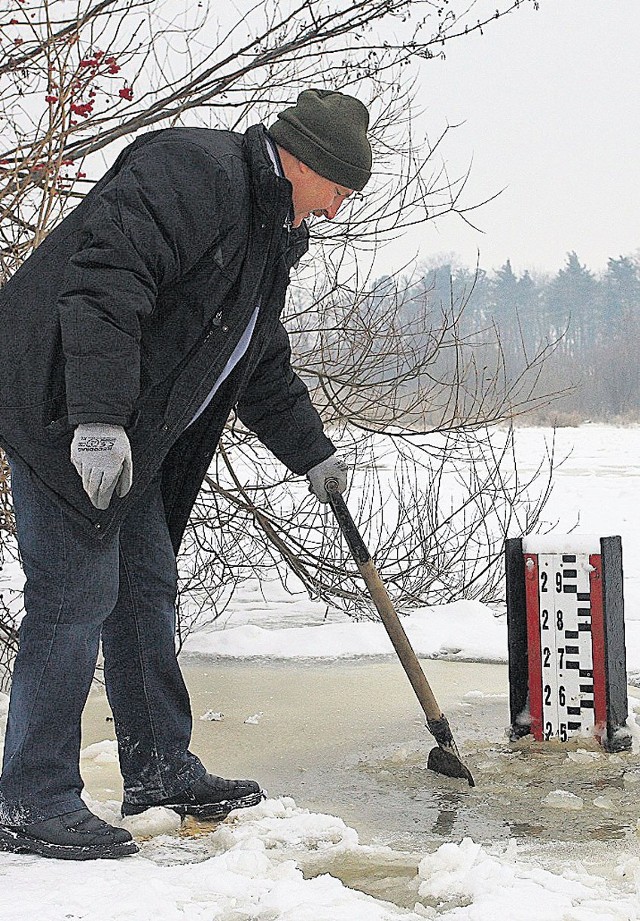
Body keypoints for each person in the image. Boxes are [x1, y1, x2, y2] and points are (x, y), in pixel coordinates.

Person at [0, 88, 372, 860]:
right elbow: (104, 282)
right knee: (73, 594)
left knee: (143, 585)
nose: (336, 211)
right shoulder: (195, 173)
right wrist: (96, 421)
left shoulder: (268, 232)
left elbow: (256, 360)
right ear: (303, 160)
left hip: (124, 430)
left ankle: (160, 768)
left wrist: (313, 454)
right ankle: (32, 796)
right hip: (55, 405)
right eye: (337, 191)